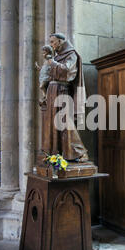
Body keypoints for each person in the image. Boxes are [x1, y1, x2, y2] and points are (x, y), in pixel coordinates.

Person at [41, 33, 88, 162]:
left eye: (53, 42)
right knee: (53, 123)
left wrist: (51, 62)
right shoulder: (58, 56)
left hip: (62, 91)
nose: (51, 45)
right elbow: (51, 73)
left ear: (60, 41)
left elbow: (68, 72)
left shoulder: (71, 54)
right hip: (52, 91)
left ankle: (79, 152)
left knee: (65, 122)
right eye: (50, 42)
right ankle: (57, 152)